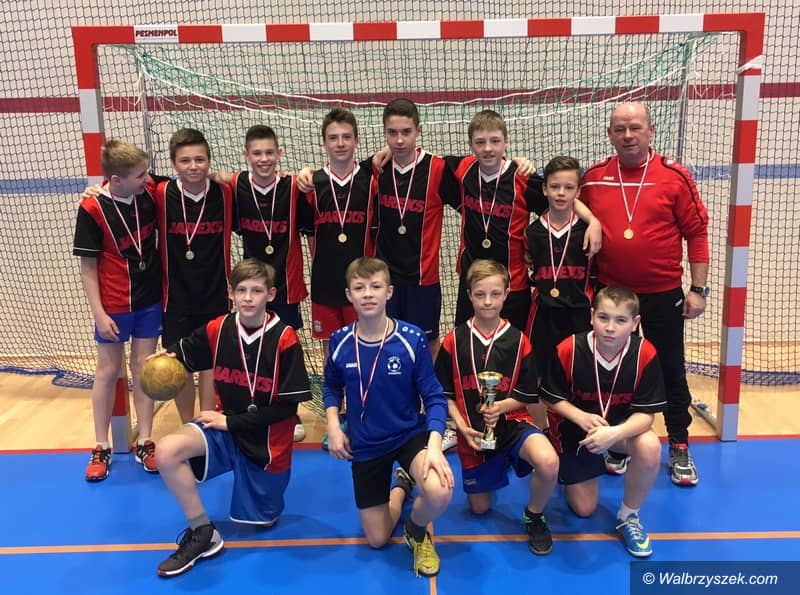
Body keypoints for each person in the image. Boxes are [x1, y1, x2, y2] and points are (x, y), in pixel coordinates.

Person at [154, 259, 312, 577]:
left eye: (257, 291)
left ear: (271, 294)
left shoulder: (285, 338)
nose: (248, 298)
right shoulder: (219, 328)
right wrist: (163, 360)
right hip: (225, 431)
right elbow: (184, 351)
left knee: (262, 522)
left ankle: (258, 489)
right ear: (231, 293)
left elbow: (287, 409)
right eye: (241, 290)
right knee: (166, 451)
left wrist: (231, 422)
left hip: (266, 446)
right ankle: (203, 532)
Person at [580, 102, 709, 486]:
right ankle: (619, 444)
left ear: (651, 131)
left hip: (662, 293)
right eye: (619, 129)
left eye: (635, 127)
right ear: (610, 134)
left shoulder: (674, 176)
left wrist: (697, 289)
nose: (628, 136)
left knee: (669, 368)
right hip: (611, 297)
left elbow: (696, 233)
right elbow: (566, 204)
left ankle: (679, 442)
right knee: (613, 370)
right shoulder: (595, 178)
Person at [323, 257, 454, 577]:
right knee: (377, 540)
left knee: (439, 489)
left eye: (375, 286)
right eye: (359, 288)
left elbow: (435, 397)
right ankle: (402, 486)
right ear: (349, 295)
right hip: (366, 444)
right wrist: (334, 426)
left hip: (408, 435)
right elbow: (331, 386)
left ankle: (416, 530)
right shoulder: (340, 341)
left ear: (389, 292)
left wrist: (434, 446)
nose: (368, 293)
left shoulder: (411, 338)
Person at [435, 259, 559, 555]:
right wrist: (461, 427)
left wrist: (501, 406)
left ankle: (534, 515)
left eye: (494, 294)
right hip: (473, 433)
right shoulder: (453, 340)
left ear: (506, 295)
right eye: (480, 294)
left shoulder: (519, 341)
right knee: (480, 508)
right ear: (469, 295)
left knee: (549, 462)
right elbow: (443, 395)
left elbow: (527, 394)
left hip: (513, 423)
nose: (487, 301)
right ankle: (497, 463)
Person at [445, 110, 601, 331]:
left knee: (513, 343)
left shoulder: (523, 179)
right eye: (480, 142)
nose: (488, 148)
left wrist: (593, 221)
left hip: (513, 282)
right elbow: (421, 161)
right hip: (472, 279)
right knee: (467, 339)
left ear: (506, 142)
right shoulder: (462, 168)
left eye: (495, 141)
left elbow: (563, 199)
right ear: (470, 144)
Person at [539, 286, 665, 558]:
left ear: (635, 323)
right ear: (591, 316)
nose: (610, 327)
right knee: (585, 509)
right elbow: (550, 397)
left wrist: (615, 433)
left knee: (650, 446)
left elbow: (647, 415)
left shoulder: (645, 353)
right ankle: (562, 458)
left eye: (620, 320)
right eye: (603, 317)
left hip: (619, 431)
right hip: (575, 431)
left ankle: (629, 516)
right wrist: (580, 416)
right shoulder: (569, 348)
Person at [73, 139, 162, 480]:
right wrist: (99, 313)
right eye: (140, 175)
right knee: (108, 371)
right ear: (116, 180)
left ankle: (147, 440)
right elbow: (87, 268)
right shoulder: (92, 208)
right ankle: (101, 445)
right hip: (113, 303)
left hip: (149, 299)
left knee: (144, 368)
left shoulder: (148, 191)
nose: (147, 178)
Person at [228, 125, 309, 441]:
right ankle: (250, 407)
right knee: (252, 349)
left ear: (280, 154)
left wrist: (307, 171)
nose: (264, 159)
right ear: (246, 155)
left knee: (286, 350)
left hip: (286, 283)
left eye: (269, 153)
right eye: (257, 153)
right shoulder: (235, 186)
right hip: (252, 287)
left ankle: (290, 412)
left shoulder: (295, 186)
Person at [154, 128, 234, 423]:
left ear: (209, 161)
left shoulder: (225, 193)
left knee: (211, 363)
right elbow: (124, 181)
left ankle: (207, 423)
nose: (193, 166)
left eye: (200, 159)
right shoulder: (161, 193)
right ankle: (188, 424)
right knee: (180, 362)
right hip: (176, 297)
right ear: (174, 163)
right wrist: (97, 188)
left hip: (216, 293)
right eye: (185, 160)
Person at [298, 108, 377, 350]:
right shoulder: (312, 184)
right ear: (324, 143)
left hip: (363, 283)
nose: (340, 143)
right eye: (333, 138)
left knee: (366, 346)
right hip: (325, 284)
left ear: (357, 140)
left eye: (346, 137)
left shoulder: (371, 181)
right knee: (331, 350)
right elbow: (309, 235)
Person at [523, 156, 593, 427]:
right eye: (554, 186)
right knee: (537, 375)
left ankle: (576, 429)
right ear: (544, 189)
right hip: (543, 313)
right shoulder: (532, 232)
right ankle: (542, 431)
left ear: (578, 192)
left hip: (579, 314)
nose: (561, 193)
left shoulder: (589, 230)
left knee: (580, 374)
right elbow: (528, 263)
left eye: (568, 187)